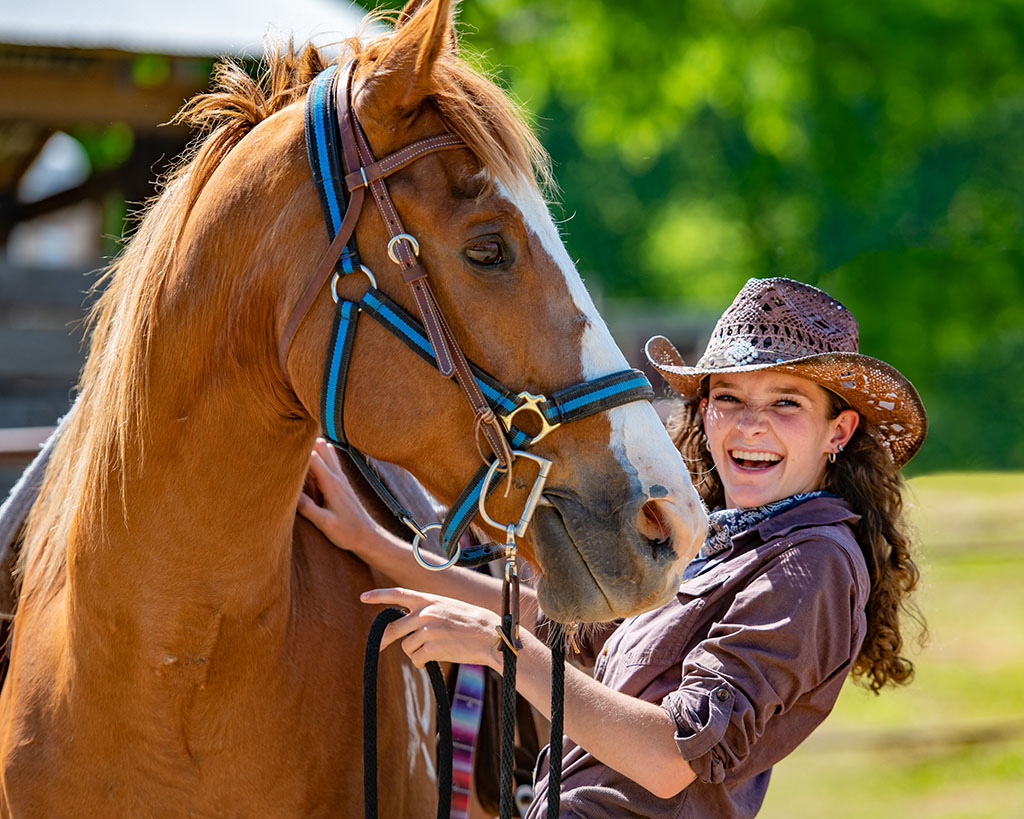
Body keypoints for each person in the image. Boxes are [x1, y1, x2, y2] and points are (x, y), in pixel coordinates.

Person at [298, 277, 927, 818]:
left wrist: (498, 646)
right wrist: (373, 543)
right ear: (703, 414)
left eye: (786, 403)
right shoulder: (722, 541)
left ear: (837, 431)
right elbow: (558, 628)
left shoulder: (808, 564)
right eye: (728, 399)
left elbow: (670, 756)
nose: (749, 424)